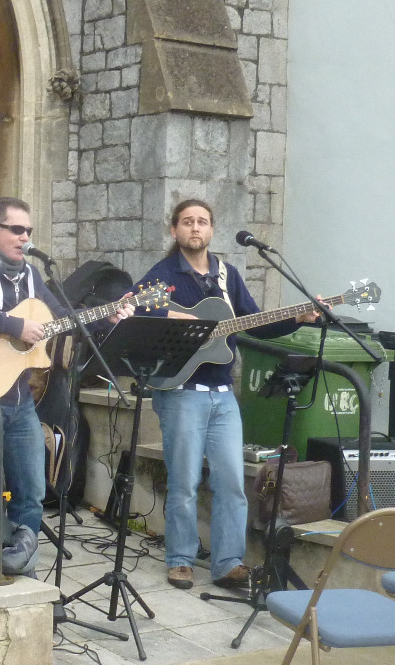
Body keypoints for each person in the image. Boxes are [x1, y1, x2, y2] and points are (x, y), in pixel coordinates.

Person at [136, 199, 318, 590]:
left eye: (202, 221)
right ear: (174, 230)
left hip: (222, 394)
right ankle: (180, 559)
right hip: (182, 391)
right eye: (187, 222)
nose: (195, 228)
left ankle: (227, 563)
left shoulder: (226, 275)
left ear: (212, 229)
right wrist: (178, 317)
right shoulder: (165, 275)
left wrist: (296, 317)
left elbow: (254, 323)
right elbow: (134, 309)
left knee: (232, 483)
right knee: (184, 482)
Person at [0, 196, 130, 540]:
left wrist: (106, 316)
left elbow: (62, 319)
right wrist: (15, 327)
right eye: (16, 230)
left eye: (28, 231)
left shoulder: (30, 274)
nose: (25, 237)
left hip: (20, 400)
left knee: (31, 493)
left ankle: (21, 559)